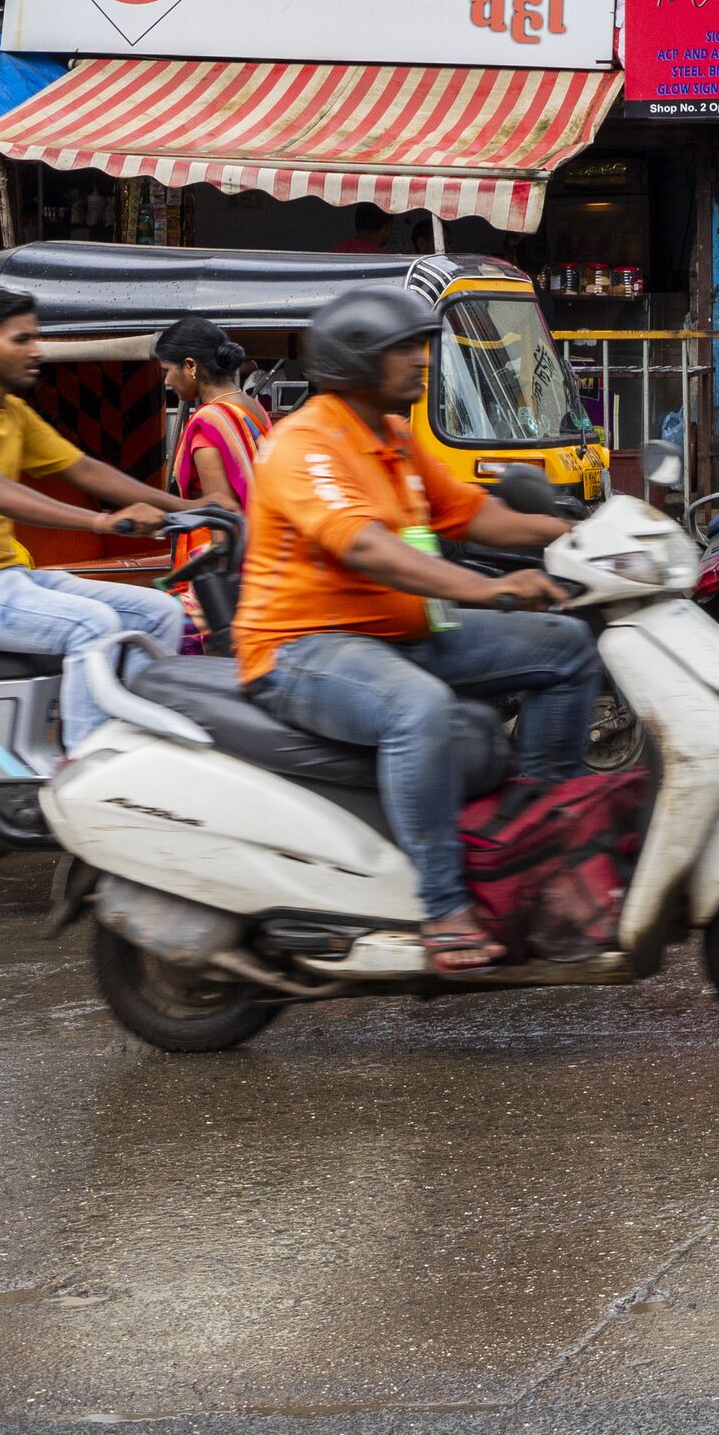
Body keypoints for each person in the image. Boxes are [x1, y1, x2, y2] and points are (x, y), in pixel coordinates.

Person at [236, 287, 588, 973]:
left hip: (401, 635)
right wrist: (489, 589)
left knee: (567, 648)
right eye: (405, 349)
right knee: (416, 708)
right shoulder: (304, 444)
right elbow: (366, 547)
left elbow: (472, 515)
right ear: (357, 360)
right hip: (302, 649)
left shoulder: (394, 438)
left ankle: (537, 842)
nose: (422, 361)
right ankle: (444, 908)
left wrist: (578, 532)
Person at [0, 286, 202, 750]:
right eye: (21, 340)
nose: (37, 351)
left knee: (159, 611)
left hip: (5, 578)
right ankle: (85, 769)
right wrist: (101, 523)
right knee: (90, 625)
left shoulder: (11, 412)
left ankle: (136, 748)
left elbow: (83, 468)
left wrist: (189, 509)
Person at [154, 315, 272, 511]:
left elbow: (223, 520)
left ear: (191, 366)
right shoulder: (254, 407)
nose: (166, 381)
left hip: (218, 540)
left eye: (167, 370)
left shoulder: (208, 425)